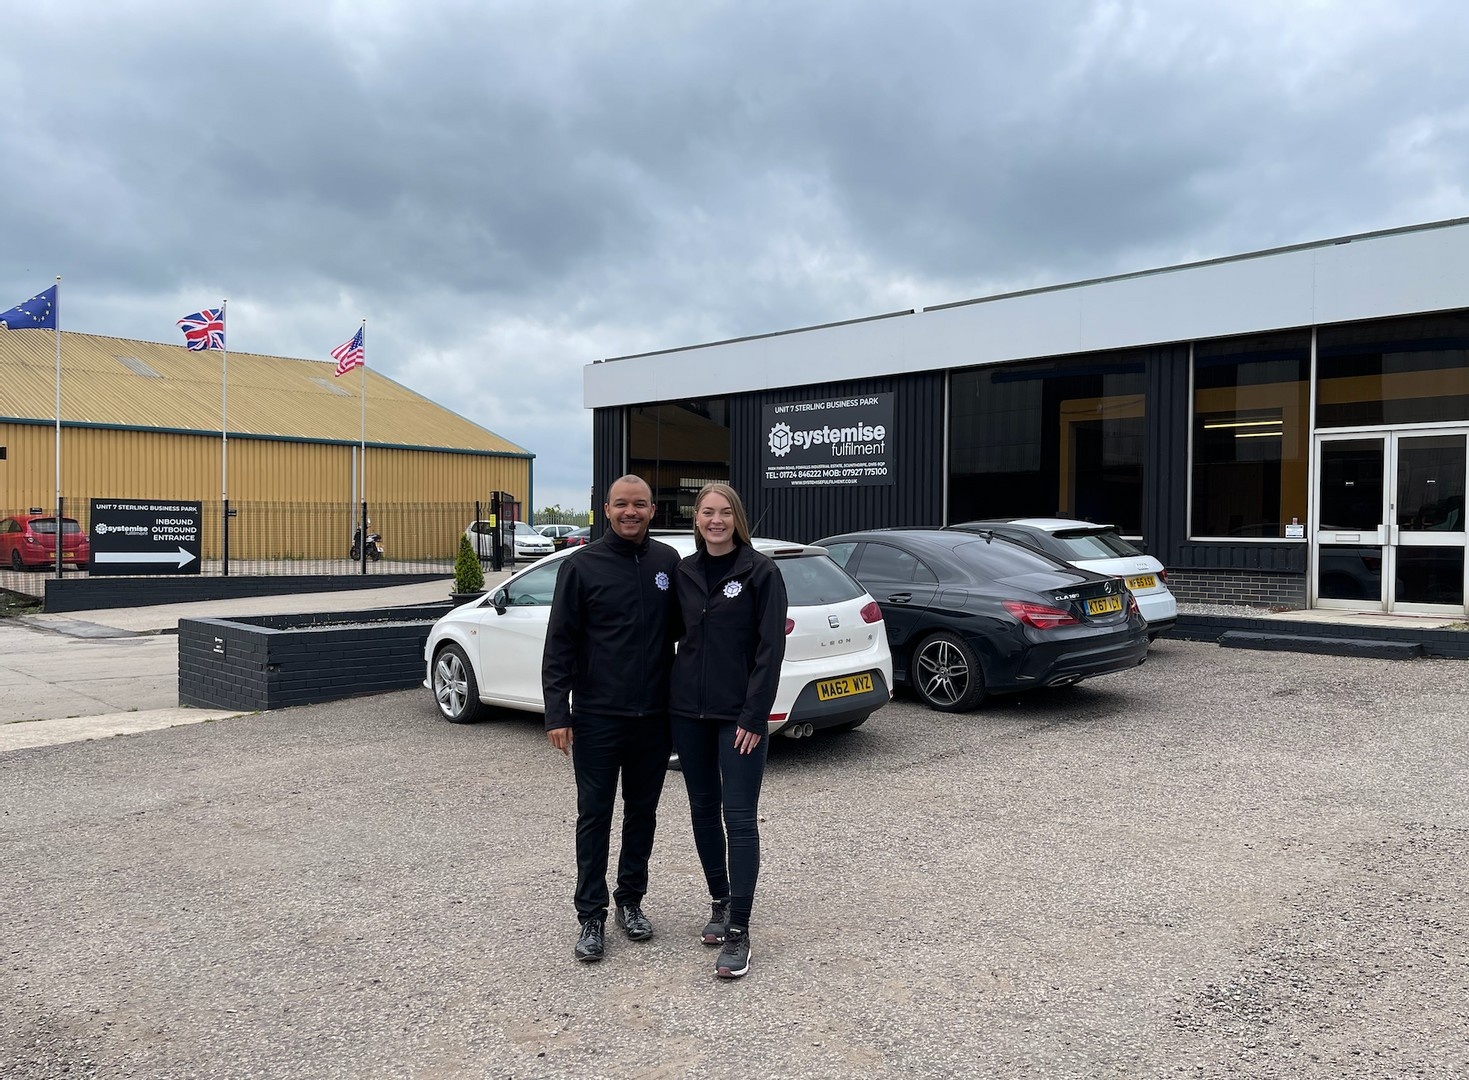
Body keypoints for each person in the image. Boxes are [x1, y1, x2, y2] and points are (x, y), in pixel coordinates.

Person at [542, 475, 682, 962]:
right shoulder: (581, 566)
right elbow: (559, 643)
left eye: (639, 504)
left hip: (653, 717)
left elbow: (686, 631)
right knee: (595, 815)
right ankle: (591, 915)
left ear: (652, 509)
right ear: (606, 510)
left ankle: (631, 901)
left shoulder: (667, 562)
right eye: (621, 504)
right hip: (598, 717)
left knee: (642, 813)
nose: (630, 512)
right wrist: (557, 712)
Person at [668, 482, 788, 979]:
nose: (715, 521)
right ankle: (719, 903)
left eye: (724, 512)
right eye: (706, 512)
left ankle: (739, 929)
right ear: (696, 519)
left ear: (737, 518)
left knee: (738, 818)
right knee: (702, 809)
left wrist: (754, 715)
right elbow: (669, 637)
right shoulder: (684, 572)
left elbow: (770, 650)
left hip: (739, 717)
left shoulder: (761, 572)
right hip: (688, 714)